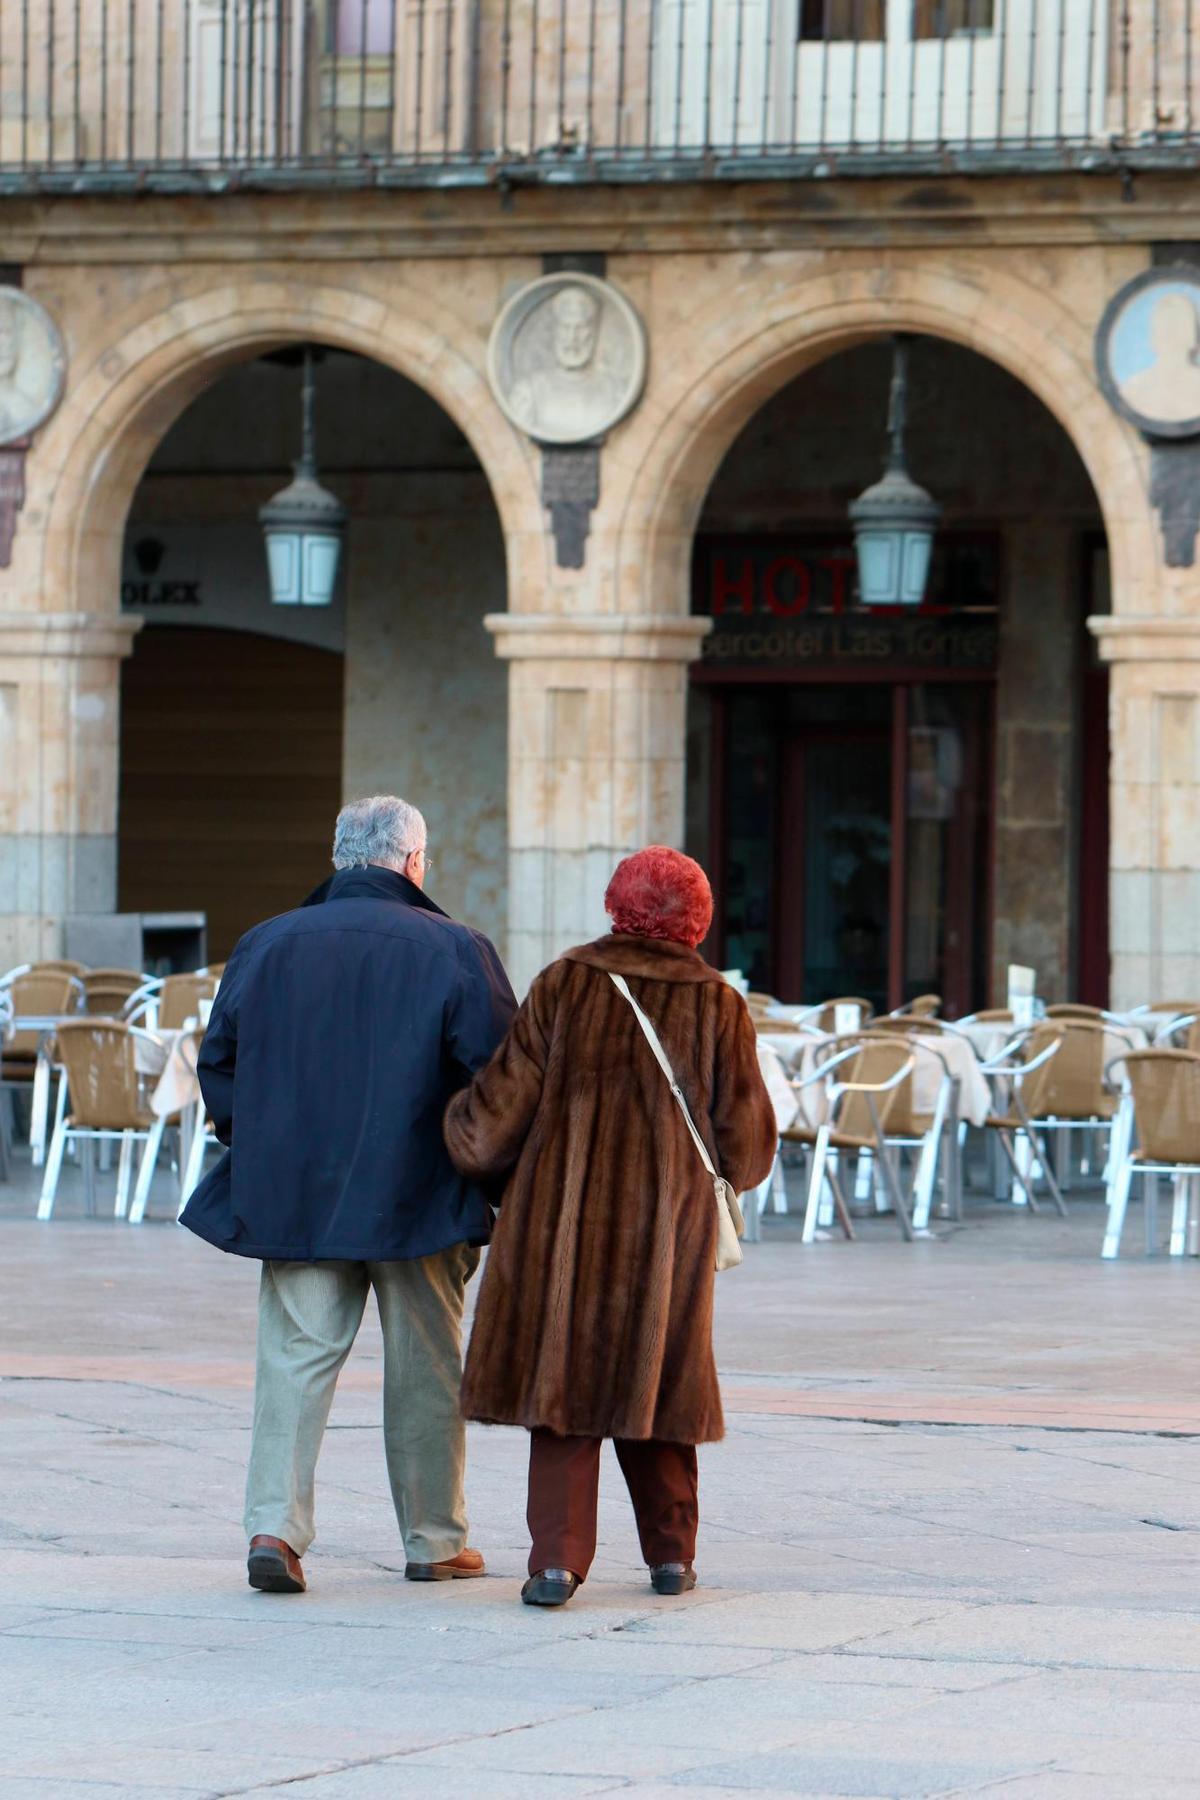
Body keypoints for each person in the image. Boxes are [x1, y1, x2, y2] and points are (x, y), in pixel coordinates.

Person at [180, 795, 517, 1596]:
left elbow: (219, 1064)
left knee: (295, 1360)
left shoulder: (264, 943)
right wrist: (484, 1168)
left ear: (340, 859)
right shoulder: (456, 948)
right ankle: (434, 1540)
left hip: (297, 1192)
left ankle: (275, 1528)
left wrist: (266, 1146)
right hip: (420, 1195)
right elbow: (500, 1077)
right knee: (427, 1366)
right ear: (412, 863)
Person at [443, 845, 776, 1607]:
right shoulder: (719, 1003)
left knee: (563, 1395)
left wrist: (457, 1131)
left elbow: (491, 1125)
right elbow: (748, 1151)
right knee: (659, 1384)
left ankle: (556, 1564)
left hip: (561, 1227)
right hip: (669, 1236)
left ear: (615, 905)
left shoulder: (565, 984)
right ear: (697, 918)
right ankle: (671, 1558)